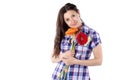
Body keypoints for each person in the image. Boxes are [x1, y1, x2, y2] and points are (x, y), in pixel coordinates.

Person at [51, 3, 102, 80]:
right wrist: (63, 55)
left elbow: (99, 61)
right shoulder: (64, 34)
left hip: (79, 77)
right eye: (67, 19)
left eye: (73, 16)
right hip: (59, 76)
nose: (72, 21)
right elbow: (53, 58)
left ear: (78, 13)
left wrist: (76, 61)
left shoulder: (92, 34)